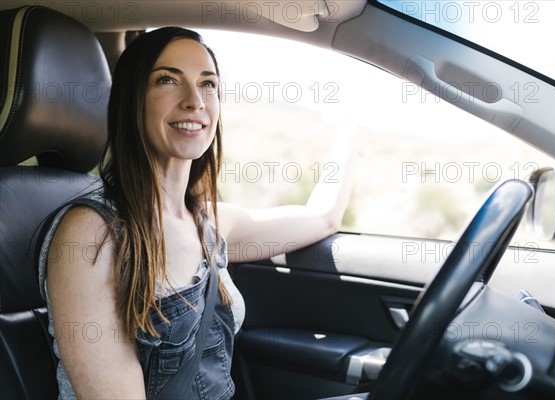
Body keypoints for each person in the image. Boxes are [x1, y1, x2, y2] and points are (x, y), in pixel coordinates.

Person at [37, 27, 355, 399]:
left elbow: (323, 218)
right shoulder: (92, 234)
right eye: (168, 80)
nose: (195, 100)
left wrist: (351, 133)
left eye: (208, 84)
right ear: (132, 99)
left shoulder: (210, 223)